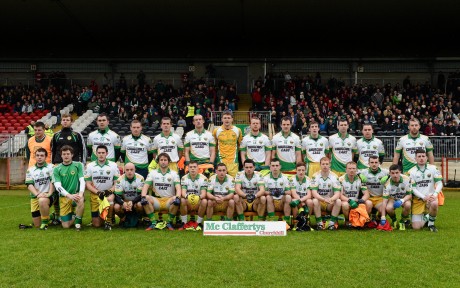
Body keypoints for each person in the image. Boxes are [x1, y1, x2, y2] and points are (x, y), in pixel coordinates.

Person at [142, 153, 181, 231]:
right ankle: (153, 223)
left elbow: (178, 188)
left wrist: (178, 197)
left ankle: (169, 223)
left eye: (165, 160)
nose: (163, 162)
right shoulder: (152, 173)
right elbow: (145, 186)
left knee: (176, 199)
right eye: (161, 160)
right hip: (157, 201)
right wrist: (143, 196)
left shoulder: (174, 174)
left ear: (169, 162)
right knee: (145, 198)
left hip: (169, 201)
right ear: (158, 162)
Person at [84, 145, 120, 230]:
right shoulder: (90, 166)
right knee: (96, 224)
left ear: (107, 153)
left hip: (108, 193)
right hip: (95, 195)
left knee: (110, 199)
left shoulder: (113, 165)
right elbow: (88, 184)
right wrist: (97, 192)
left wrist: (109, 191)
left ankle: (109, 220)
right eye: (99, 153)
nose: (101, 155)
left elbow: (117, 183)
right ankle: (105, 216)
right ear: (96, 153)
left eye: (103, 153)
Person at [408, 149, 443, 232]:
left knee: (434, 203)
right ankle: (427, 217)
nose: (421, 158)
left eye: (423, 156)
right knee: (416, 227)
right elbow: (413, 189)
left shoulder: (433, 168)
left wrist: (434, 195)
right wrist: (423, 197)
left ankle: (431, 224)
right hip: (418, 200)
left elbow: (439, 183)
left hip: (431, 198)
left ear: (427, 158)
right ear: (415, 158)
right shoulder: (411, 172)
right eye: (419, 156)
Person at [52, 146, 85, 231]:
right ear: (61, 155)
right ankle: (73, 215)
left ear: (72, 155)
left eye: (68, 154)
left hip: (76, 195)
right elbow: (58, 186)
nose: (66, 156)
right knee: (65, 226)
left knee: (80, 199)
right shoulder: (56, 169)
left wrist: (80, 193)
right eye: (64, 154)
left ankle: (78, 222)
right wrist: (69, 195)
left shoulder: (78, 165)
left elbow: (82, 180)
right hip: (64, 197)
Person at [25, 148, 55, 229]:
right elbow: (29, 185)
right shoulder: (30, 170)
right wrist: (37, 194)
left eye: (42, 155)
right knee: (37, 224)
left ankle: (45, 223)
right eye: (37, 155)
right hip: (35, 196)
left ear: (45, 157)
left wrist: (49, 193)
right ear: (35, 157)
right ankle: (52, 216)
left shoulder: (51, 167)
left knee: (42, 200)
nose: (39, 157)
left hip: (49, 195)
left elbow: (53, 181)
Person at [310, 157, 342, 230]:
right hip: (320, 202)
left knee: (338, 201)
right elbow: (314, 193)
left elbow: (337, 194)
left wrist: (330, 199)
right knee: (315, 200)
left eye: (327, 164)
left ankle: (331, 224)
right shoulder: (315, 176)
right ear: (320, 165)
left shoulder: (334, 176)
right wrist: (323, 199)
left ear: (329, 165)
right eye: (323, 164)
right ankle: (319, 224)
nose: (325, 166)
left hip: (329, 202)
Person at [339, 161, 372, 228]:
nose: (352, 170)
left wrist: (361, 200)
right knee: (345, 205)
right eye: (349, 168)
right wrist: (349, 200)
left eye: (354, 168)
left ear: (356, 170)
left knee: (369, 203)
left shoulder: (360, 179)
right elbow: (340, 195)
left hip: (357, 200)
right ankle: (347, 221)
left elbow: (366, 194)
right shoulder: (341, 179)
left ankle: (364, 221)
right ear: (346, 170)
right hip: (346, 201)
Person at [380, 164, 413, 230]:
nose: (395, 175)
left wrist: (402, 201)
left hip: (404, 197)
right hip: (393, 198)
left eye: (397, 173)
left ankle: (402, 221)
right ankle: (394, 220)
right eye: (393, 173)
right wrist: (383, 216)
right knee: (388, 208)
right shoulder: (387, 184)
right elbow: (384, 201)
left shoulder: (406, 179)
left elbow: (409, 195)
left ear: (400, 172)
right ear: (390, 173)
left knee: (408, 205)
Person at [263, 158, 293, 229]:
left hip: (281, 202)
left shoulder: (285, 178)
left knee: (288, 197)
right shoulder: (266, 178)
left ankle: (286, 222)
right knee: (268, 197)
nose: (275, 167)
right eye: (273, 166)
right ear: (270, 167)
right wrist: (271, 192)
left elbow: (289, 192)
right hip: (271, 202)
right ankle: (272, 221)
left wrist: (282, 192)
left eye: (277, 165)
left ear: (280, 166)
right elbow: (263, 191)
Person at [358, 155, 389, 225]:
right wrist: (359, 175)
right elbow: (353, 172)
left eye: (376, 162)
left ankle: (378, 218)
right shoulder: (364, 172)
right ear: (368, 163)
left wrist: (388, 176)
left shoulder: (385, 172)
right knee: (368, 205)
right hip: (369, 197)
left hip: (380, 198)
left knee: (385, 209)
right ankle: (367, 219)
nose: (374, 164)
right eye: (372, 162)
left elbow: (397, 173)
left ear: (379, 163)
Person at [113, 163, 145, 228]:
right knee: (116, 207)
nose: (129, 172)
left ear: (135, 170)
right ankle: (123, 219)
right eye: (127, 170)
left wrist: (132, 202)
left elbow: (141, 195)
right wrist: (123, 203)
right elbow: (117, 196)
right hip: (125, 201)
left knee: (140, 205)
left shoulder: (140, 178)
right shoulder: (120, 179)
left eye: (131, 170)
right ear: (124, 170)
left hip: (135, 202)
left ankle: (139, 219)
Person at [179, 161, 208, 231]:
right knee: (182, 200)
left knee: (204, 201)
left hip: (198, 201)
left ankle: (198, 223)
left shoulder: (203, 178)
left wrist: (198, 198)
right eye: (191, 167)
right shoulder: (184, 178)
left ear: (198, 168)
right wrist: (188, 197)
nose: (192, 169)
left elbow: (203, 193)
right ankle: (184, 223)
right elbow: (183, 192)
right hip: (188, 200)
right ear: (187, 168)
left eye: (194, 167)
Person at [213, 110, 243, 177]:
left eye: (229, 118)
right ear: (222, 119)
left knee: (234, 182)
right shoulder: (216, 131)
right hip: (220, 161)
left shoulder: (237, 130)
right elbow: (214, 146)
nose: (227, 120)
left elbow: (240, 145)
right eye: (225, 118)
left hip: (233, 161)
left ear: (232, 119)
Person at [289, 162, 314, 231]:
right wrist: (300, 201)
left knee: (310, 202)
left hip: (304, 200)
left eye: (303, 170)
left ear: (305, 171)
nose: (301, 172)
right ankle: (296, 223)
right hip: (296, 199)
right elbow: (294, 194)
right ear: (296, 170)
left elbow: (309, 195)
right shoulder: (292, 179)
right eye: (299, 170)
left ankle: (307, 223)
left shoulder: (308, 180)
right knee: (294, 201)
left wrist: (301, 201)